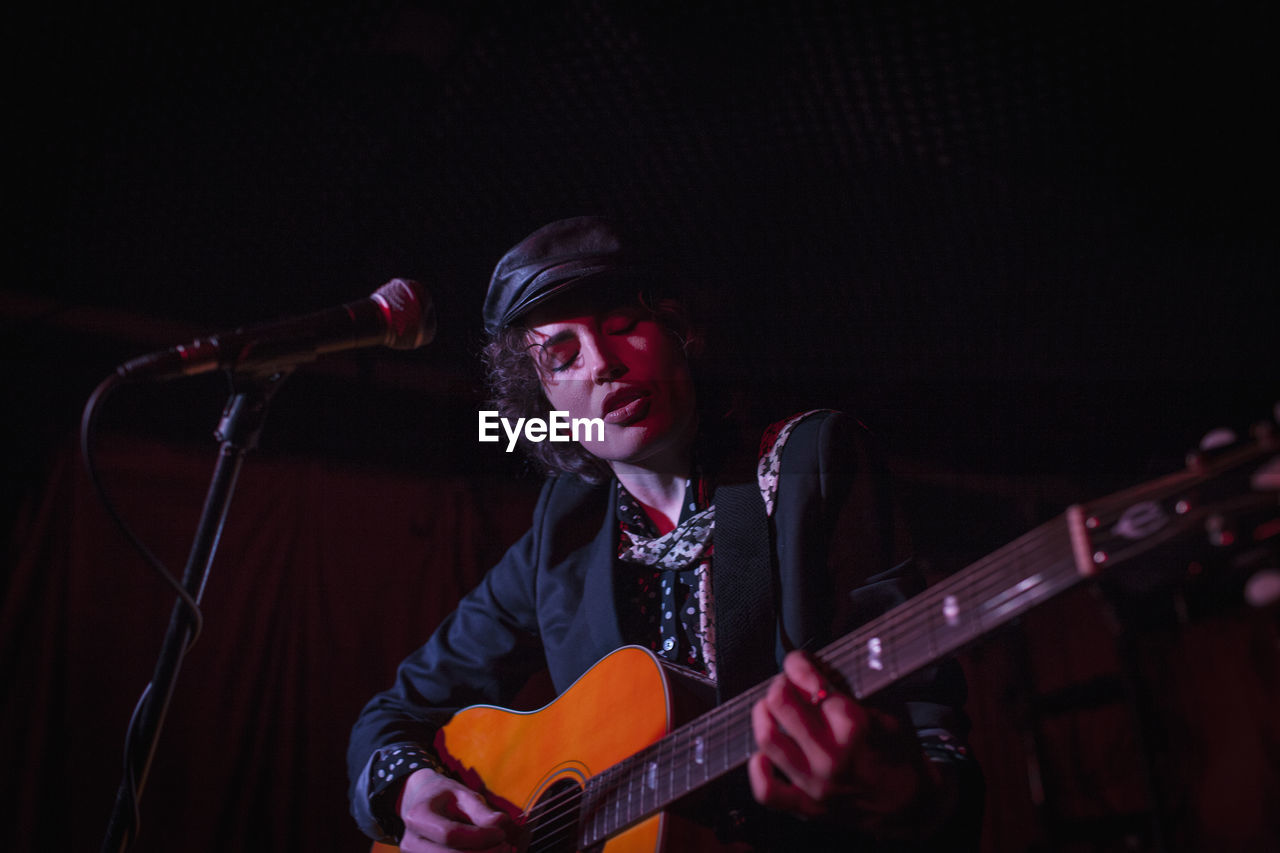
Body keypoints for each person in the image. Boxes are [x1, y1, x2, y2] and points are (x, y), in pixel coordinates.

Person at [347, 216, 980, 851]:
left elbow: (931, 729)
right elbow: (393, 716)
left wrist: (904, 796)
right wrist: (411, 791)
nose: (602, 364)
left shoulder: (809, 462)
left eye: (625, 327)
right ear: (543, 399)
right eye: (563, 356)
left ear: (680, 334)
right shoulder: (562, 530)